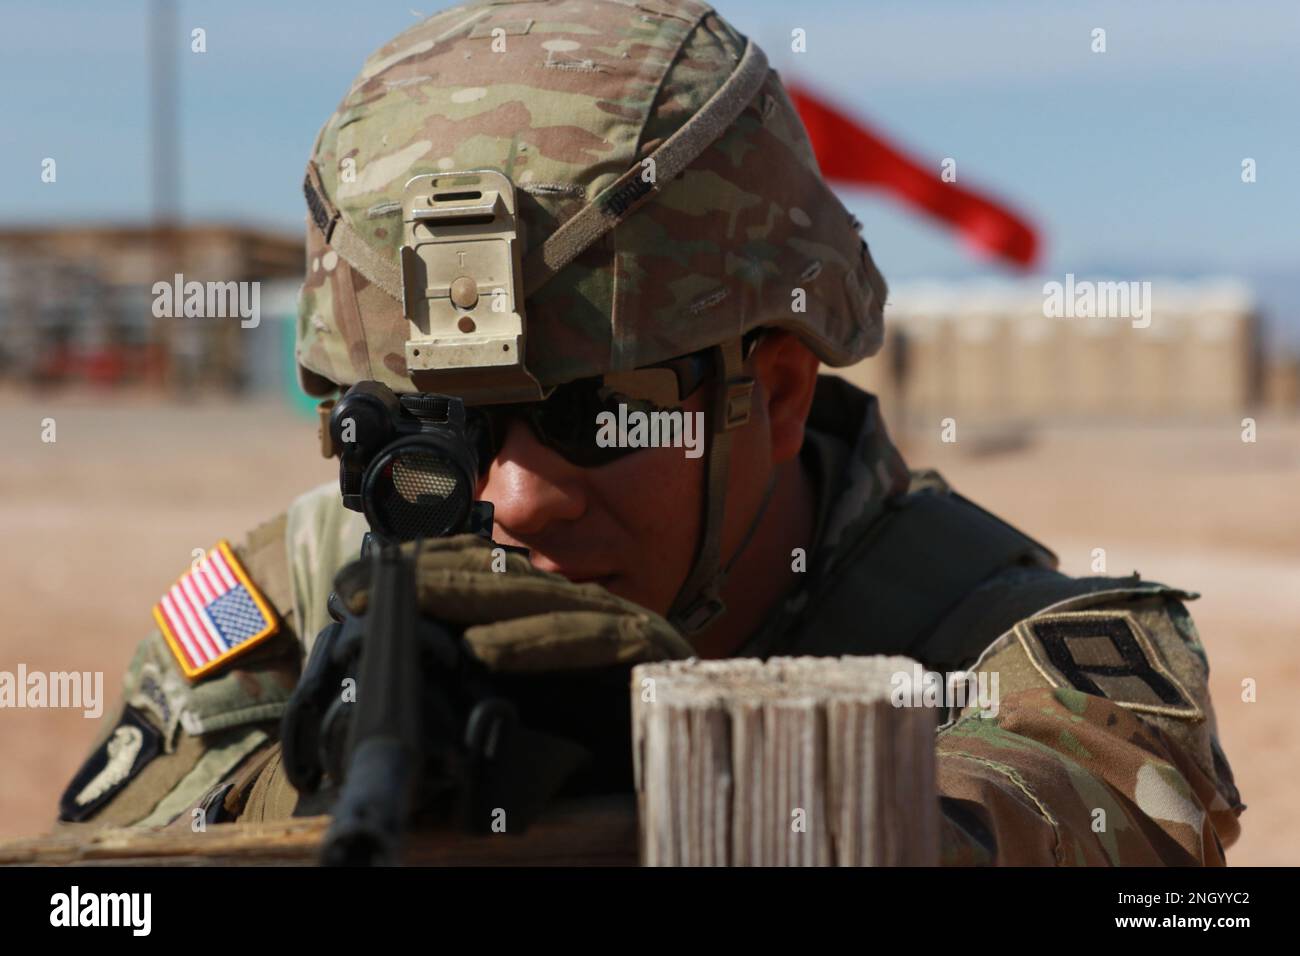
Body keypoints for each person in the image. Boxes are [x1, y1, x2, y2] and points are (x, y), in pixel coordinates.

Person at [57, 0, 1243, 864]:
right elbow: (98, 874)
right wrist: (307, 785)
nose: (516, 499)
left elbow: (1056, 813)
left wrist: (661, 791)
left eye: (592, 416)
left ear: (774, 396)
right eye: (441, 429)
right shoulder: (298, 590)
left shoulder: (1023, 651)